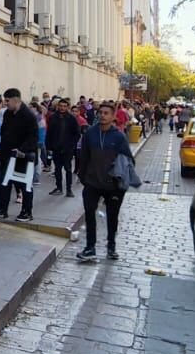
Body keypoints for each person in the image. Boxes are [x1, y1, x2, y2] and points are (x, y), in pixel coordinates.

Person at [76, 102, 134, 262]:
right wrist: (83, 176)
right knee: (89, 213)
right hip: (92, 183)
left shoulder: (119, 136)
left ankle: (111, 246)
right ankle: (90, 247)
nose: (102, 115)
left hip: (113, 185)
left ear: (113, 116)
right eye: (100, 112)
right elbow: (84, 156)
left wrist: (120, 179)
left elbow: (129, 160)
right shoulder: (90, 133)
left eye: (106, 113)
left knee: (112, 216)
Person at [0, 89, 40, 221]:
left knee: (24, 186)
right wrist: (1, 151)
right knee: (5, 183)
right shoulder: (8, 114)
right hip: (7, 155)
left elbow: (33, 137)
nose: (5, 103)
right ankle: (2, 209)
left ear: (16, 100)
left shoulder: (28, 116)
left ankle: (27, 211)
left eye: (7, 101)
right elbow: (5, 133)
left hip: (23, 156)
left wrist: (21, 150)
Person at [46, 98, 81, 197]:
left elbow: (77, 134)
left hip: (67, 149)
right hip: (56, 148)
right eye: (60, 106)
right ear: (58, 106)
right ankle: (58, 187)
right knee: (57, 169)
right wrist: (49, 146)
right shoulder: (53, 117)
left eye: (64, 106)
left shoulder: (71, 118)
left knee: (68, 169)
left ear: (68, 107)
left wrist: (71, 145)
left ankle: (69, 189)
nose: (62, 108)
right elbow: (49, 133)